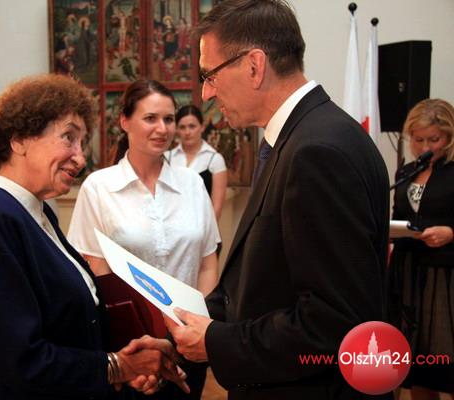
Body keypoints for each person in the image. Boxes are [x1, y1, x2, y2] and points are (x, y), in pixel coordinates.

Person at [166, 1, 391, 399]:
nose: (206, 92)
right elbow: (267, 281)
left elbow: (333, 323)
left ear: (254, 66)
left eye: (210, 75)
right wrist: (185, 334)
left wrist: (216, 342)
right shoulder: (300, 136)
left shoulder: (316, 151)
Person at [0, 74, 188, 400]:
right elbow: (20, 360)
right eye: (68, 138)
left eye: (82, 143)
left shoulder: (35, 211)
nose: (81, 158)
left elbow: (67, 319)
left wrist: (128, 353)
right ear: (19, 139)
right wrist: (117, 367)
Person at [67, 79, 220, 399]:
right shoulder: (99, 187)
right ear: (124, 121)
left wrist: (197, 328)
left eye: (168, 119)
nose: (162, 128)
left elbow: (207, 263)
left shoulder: (192, 184)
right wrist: (138, 344)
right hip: (131, 346)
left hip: (188, 341)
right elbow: (97, 271)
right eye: (150, 118)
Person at [388, 99, 454, 398]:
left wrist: (451, 232)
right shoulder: (407, 171)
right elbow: (398, 213)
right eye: (418, 139)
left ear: (449, 137)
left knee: (445, 357)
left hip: (445, 276)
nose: (426, 146)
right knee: (416, 361)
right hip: (408, 271)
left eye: (434, 139)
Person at [167, 105, 228, 221]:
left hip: (203, 227)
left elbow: (216, 209)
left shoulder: (214, 159)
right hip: (169, 227)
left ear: (202, 127)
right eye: (182, 127)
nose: (187, 132)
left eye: (192, 126)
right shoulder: (167, 158)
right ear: (177, 129)